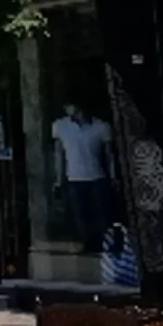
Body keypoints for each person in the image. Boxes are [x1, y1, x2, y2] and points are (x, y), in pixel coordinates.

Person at [52, 103, 115, 254]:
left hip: (96, 175)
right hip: (74, 176)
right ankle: (88, 243)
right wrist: (58, 179)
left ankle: (105, 243)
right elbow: (58, 154)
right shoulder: (60, 126)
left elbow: (109, 154)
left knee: (101, 213)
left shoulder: (101, 126)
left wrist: (113, 176)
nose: (67, 109)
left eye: (70, 106)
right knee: (80, 214)